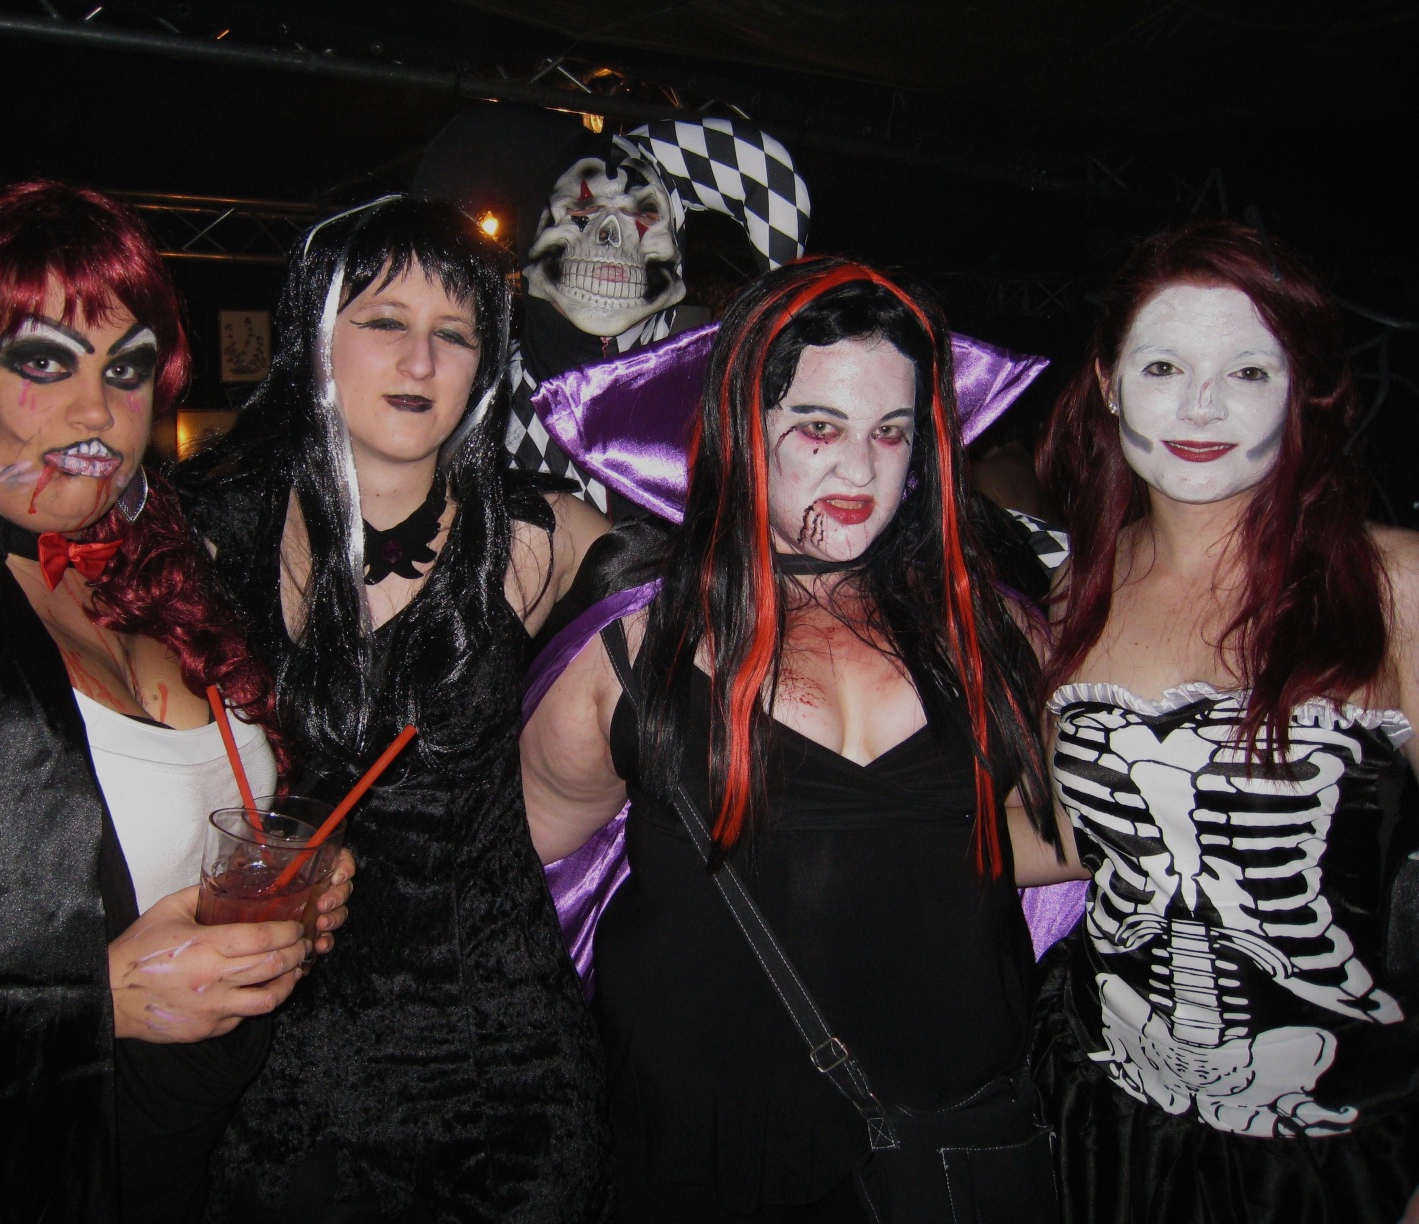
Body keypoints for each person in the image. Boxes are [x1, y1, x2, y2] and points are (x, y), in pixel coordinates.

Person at [0, 180, 352, 1222]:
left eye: (126, 368)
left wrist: (295, 887)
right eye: (43, 362)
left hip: (225, 1153)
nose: (98, 411)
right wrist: (92, 1004)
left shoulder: (157, 574)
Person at [522, 255, 1067, 1222]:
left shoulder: (994, 628)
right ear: (742, 427)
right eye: (819, 426)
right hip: (703, 1161)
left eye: (890, 431)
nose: (860, 470)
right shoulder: (630, 650)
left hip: (949, 1151)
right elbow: (525, 874)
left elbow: (1050, 836)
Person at [177, 194, 613, 1222]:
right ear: (312, 335)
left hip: (501, 1076)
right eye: (384, 321)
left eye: (455, 334)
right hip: (267, 1072)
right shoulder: (206, 534)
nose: (421, 361)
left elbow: (718, 634)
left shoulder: (545, 537)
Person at [1032, 217, 1419, 1223]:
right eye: (1164, 366)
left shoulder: (1397, 588)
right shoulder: (1075, 589)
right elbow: (1068, 841)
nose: (1201, 405)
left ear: (1304, 389)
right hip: (1111, 1128)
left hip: (1338, 1152)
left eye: (1247, 372)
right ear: (1109, 383)